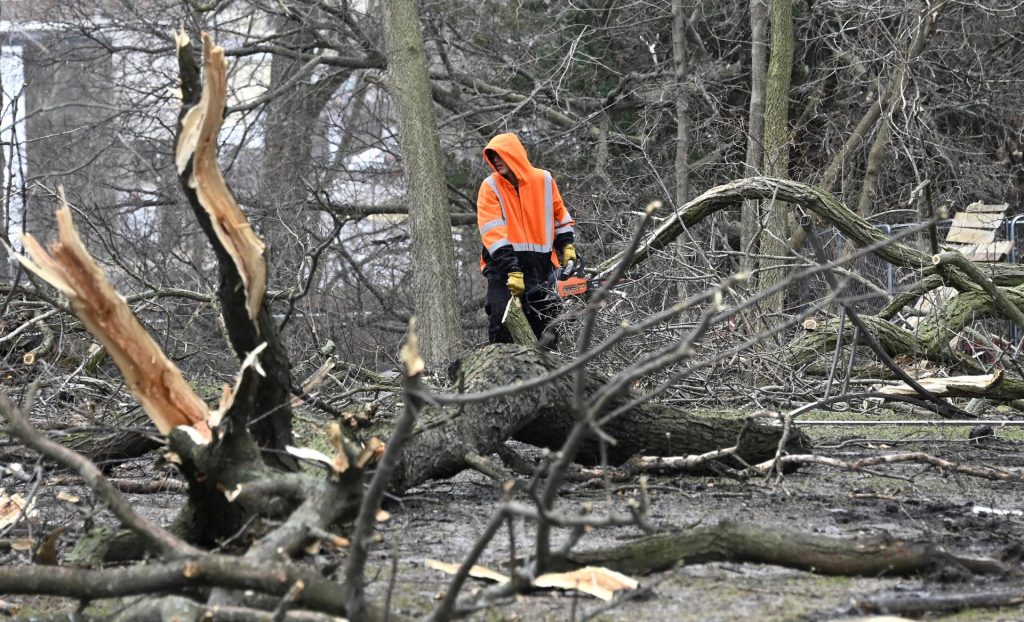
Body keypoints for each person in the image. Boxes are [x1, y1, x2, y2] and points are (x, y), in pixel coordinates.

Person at [477, 133, 577, 344]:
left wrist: (567, 245)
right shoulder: (490, 186)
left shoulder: (544, 180)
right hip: (503, 268)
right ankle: (499, 362)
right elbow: (493, 234)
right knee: (501, 317)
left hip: (542, 266)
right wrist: (512, 269)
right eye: (493, 156)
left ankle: (547, 364)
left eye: (500, 155)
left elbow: (559, 217)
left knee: (547, 326)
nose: (496, 160)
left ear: (514, 155)